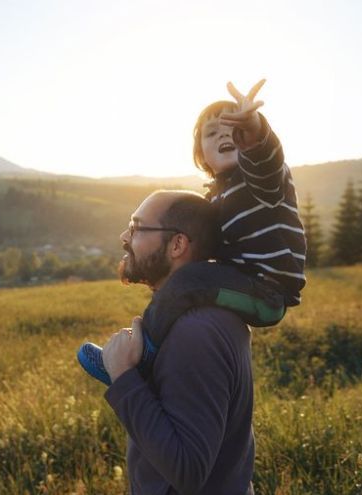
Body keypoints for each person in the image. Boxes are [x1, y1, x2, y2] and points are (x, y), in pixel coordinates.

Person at [78, 79, 307, 385]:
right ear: (201, 156)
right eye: (212, 133)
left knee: (189, 281)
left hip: (267, 292)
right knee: (183, 276)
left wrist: (253, 130)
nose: (226, 133)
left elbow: (264, 159)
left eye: (234, 129)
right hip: (241, 283)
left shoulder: (261, 182)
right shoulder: (215, 199)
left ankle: (141, 354)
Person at [102, 189, 256, 494]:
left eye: (136, 227)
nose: (124, 236)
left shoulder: (196, 331)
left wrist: (124, 378)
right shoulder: (195, 318)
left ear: (177, 244)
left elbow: (188, 469)